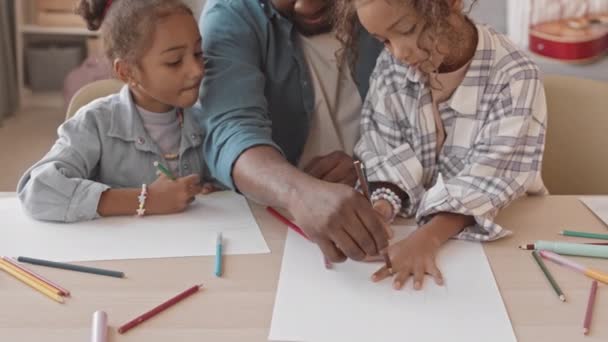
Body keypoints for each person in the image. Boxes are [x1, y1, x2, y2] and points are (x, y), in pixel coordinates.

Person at [334, 0, 547, 289]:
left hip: (511, 235)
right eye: (384, 40)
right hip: (419, 230)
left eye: (406, 29)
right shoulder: (391, 68)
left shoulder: (516, 76)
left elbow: (487, 181)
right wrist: (382, 207)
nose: (399, 52)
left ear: (451, 4)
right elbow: (384, 149)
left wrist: (427, 239)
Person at [198, 0, 390, 262]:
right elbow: (230, 131)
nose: (304, 7)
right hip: (281, 226)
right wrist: (298, 192)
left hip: (394, 205)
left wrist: (369, 166)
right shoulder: (231, 14)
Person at [18, 0, 214, 222]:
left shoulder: (208, 118)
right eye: (174, 61)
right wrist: (147, 200)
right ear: (127, 72)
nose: (197, 70)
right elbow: (36, 191)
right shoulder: (95, 123)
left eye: (198, 53)